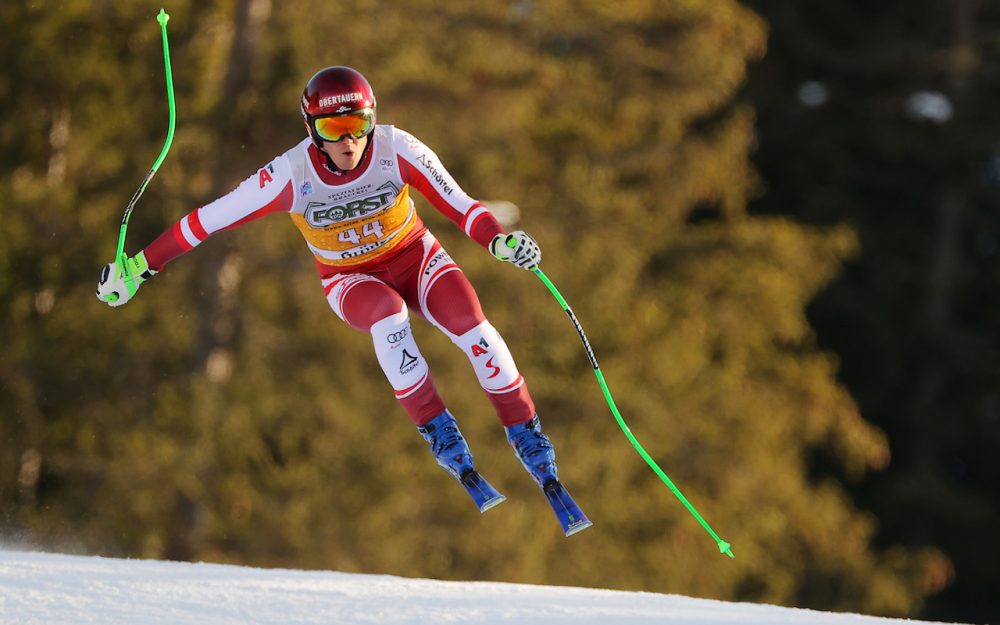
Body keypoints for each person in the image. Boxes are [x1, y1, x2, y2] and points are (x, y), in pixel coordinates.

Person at [97, 66, 590, 533]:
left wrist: (499, 242)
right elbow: (207, 220)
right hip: (351, 279)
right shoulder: (290, 173)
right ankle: (442, 434)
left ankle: (529, 437)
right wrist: (138, 268)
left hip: (416, 258)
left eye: (358, 124)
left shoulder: (396, 147)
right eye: (334, 127)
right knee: (389, 317)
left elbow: (460, 205)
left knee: (476, 329)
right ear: (312, 127)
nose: (350, 140)